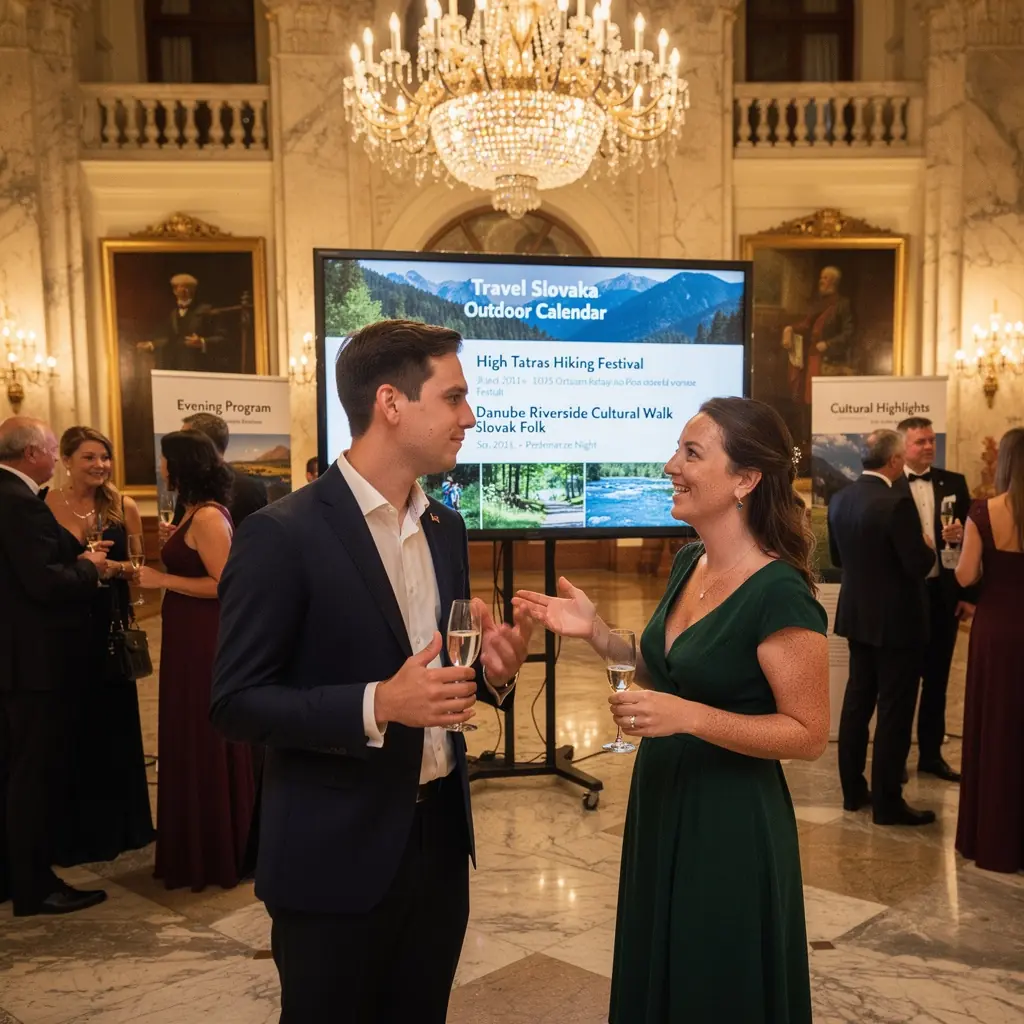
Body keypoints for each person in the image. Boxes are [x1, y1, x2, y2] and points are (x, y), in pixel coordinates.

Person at [210, 319, 531, 1023]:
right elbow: (236, 702)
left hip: (439, 844)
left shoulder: (447, 527)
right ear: (391, 402)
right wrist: (377, 705)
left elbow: (441, 677)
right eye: (453, 398)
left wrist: (493, 673)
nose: (469, 417)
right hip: (333, 856)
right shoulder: (283, 534)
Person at [515, 397, 830, 1024]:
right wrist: (598, 633)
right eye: (676, 451)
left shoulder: (780, 592)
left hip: (730, 821)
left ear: (744, 480)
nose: (669, 467)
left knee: (713, 975)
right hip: (663, 799)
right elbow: (674, 666)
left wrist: (687, 718)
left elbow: (808, 733)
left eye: (691, 454)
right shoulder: (691, 562)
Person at [0, 416, 111, 916]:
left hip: (15, 659)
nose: (53, 454)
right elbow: (44, 582)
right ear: (32, 454)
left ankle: (16, 875)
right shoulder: (20, 501)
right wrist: (90, 566)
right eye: (49, 447)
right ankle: (34, 885)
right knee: (32, 775)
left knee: (16, 768)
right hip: (35, 663)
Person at [137, 430, 254, 891]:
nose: (162, 469)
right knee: (186, 732)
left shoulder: (206, 516)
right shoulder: (193, 513)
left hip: (204, 638)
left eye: (167, 461)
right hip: (186, 636)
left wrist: (162, 580)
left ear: (182, 465)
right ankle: (195, 843)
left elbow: (226, 584)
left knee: (204, 734)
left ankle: (217, 848)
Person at [44, 427, 155, 866]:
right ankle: (74, 829)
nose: (99, 466)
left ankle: (120, 826)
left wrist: (111, 567)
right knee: (70, 724)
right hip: (63, 627)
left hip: (108, 626)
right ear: (66, 460)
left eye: (105, 458)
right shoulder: (46, 506)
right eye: (89, 457)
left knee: (113, 722)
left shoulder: (121, 505)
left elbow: (141, 566)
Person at [828, 429, 937, 826]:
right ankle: (888, 803)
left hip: (857, 618)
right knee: (894, 711)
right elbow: (919, 565)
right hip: (899, 626)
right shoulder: (897, 503)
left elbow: (839, 558)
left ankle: (853, 793)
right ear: (893, 462)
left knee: (857, 705)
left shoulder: (840, 498)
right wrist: (926, 543)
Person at [955, 427, 1024, 873]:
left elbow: (964, 577)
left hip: (997, 631)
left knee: (997, 729)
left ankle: (995, 840)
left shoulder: (984, 511)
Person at [896, 415, 974, 782]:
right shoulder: (891, 486)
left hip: (943, 595)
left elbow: (975, 542)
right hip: (905, 597)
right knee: (903, 680)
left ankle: (931, 755)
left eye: (931, 441)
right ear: (902, 448)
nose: (929, 446)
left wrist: (967, 593)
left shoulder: (953, 482)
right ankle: (895, 758)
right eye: (920, 442)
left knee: (937, 681)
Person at [137, 273, 223, 371]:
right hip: (174, 369)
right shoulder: (172, 313)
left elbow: (222, 339)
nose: (184, 290)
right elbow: (170, 339)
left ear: (194, 290)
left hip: (199, 369)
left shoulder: (207, 311)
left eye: (189, 287)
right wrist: (152, 344)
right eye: (181, 287)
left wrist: (202, 342)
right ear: (174, 290)